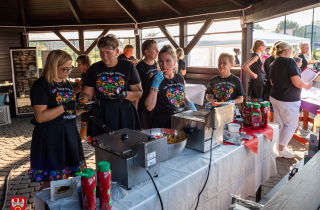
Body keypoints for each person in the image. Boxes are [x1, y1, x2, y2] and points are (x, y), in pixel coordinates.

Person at [29, 50, 89, 191]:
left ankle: (58, 204)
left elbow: (70, 111)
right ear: (53, 66)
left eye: (70, 68)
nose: (68, 72)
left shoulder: (66, 84)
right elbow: (40, 116)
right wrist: (65, 106)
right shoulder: (41, 85)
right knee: (51, 183)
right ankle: (42, 206)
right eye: (64, 69)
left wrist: (83, 109)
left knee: (64, 178)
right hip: (50, 136)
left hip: (69, 133)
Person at [80, 34, 143, 146]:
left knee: (126, 145)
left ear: (117, 51)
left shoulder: (128, 67)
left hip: (123, 111)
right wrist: (85, 100)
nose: (104, 56)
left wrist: (125, 94)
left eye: (108, 52)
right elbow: (86, 92)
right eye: (101, 52)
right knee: (102, 147)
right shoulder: (94, 68)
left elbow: (138, 92)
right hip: (101, 112)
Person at [269, 41, 312, 158]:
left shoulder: (273, 63)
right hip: (288, 99)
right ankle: (280, 149)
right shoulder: (289, 61)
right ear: (286, 51)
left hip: (275, 97)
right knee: (291, 125)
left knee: (281, 124)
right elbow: (297, 82)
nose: (292, 53)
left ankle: (277, 147)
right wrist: (307, 85)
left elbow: (272, 82)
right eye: (291, 51)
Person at [144, 45, 197, 128]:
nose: (164, 65)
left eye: (168, 61)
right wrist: (155, 85)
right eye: (161, 61)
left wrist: (189, 103)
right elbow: (149, 107)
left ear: (174, 62)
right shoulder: (155, 80)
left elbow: (179, 94)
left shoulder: (179, 77)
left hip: (179, 120)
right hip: (162, 123)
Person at [135, 39, 159, 129]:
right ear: (146, 51)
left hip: (155, 101)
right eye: (155, 49)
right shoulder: (140, 67)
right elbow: (137, 90)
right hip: (143, 105)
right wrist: (136, 111)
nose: (158, 51)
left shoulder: (157, 64)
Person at [263, 40, 282, 122]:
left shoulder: (268, 59)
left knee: (270, 110)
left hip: (269, 87)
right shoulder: (277, 61)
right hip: (274, 88)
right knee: (274, 112)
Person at [74, 55, 91, 141]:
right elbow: (80, 86)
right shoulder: (84, 73)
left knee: (85, 123)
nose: (78, 66)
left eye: (79, 63)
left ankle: (78, 143)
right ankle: (78, 142)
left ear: (85, 63)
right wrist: (72, 93)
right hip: (85, 103)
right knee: (84, 123)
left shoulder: (90, 73)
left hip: (89, 104)